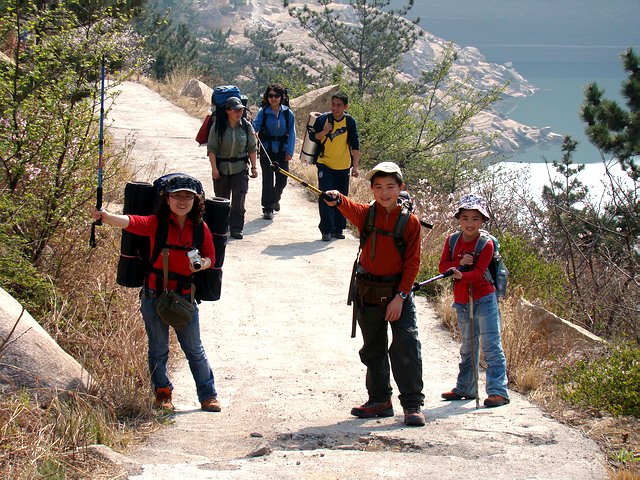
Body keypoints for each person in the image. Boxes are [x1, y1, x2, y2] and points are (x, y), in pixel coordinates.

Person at [91, 174, 221, 412]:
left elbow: (211, 256)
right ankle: (163, 394)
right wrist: (107, 217)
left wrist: (202, 264)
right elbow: (131, 222)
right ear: (167, 199)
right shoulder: (157, 224)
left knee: (194, 349)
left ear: (195, 200)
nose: (182, 201)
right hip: (154, 295)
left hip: (183, 297)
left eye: (188, 196)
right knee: (158, 349)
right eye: (177, 196)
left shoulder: (201, 228)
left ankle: (208, 395)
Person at [323, 162, 426, 427]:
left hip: (397, 294)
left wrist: (400, 297)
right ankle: (380, 400)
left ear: (400, 188)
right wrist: (336, 196)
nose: (384, 192)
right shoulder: (367, 214)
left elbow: (413, 263)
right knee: (374, 349)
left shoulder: (410, 223)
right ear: (371, 189)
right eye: (378, 187)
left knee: (406, 346)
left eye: (390, 186)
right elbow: (346, 204)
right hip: (368, 290)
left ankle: (412, 405)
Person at [438, 193, 510, 408]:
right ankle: (466, 388)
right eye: (465, 218)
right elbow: (443, 267)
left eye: (475, 219)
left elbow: (479, 274)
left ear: (483, 221)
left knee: (491, 346)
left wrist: (459, 273)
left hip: (484, 299)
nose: (470, 223)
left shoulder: (485, 244)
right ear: (459, 219)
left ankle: (498, 392)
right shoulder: (452, 240)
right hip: (462, 300)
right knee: (468, 346)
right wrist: (457, 263)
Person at [311, 91, 361, 241]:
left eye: (339, 105)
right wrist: (325, 131)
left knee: (341, 198)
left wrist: (356, 166)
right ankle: (326, 230)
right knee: (326, 196)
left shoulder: (349, 122)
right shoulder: (323, 119)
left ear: (345, 107)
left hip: (343, 166)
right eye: (333, 104)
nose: (335, 108)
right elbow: (315, 137)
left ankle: (338, 229)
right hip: (325, 164)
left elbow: (355, 144)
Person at [207, 96, 258, 239]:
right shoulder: (218, 126)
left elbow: (252, 148)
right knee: (222, 199)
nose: (238, 113)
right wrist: (214, 169)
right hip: (222, 168)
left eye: (241, 110)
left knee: (239, 199)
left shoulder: (247, 126)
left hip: (240, 167)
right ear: (228, 111)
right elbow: (212, 149)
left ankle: (236, 228)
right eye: (235, 110)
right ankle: (221, 227)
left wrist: (254, 167)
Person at [252, 83, 296, 220]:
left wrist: (290, 151)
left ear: (282, 97)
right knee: (268, 180)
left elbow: (292, 133)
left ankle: (275, 198)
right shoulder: (263, 112)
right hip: (267, 150)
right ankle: (268, 208)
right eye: (270, 95)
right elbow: (254, 128)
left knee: (282, 179)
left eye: (276, 95)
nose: (273, 98)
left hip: (282, 151)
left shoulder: (288, 114)